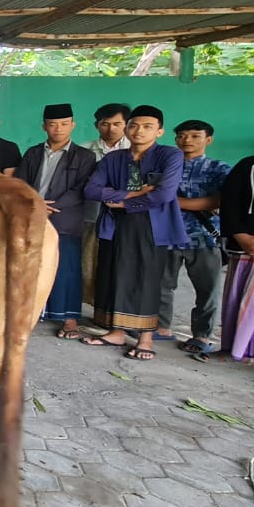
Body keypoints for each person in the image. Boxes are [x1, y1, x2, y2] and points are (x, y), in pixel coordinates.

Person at [80, 105, 187, 361]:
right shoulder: (113, 159)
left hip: (151, 226)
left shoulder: (170, 155)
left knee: (147, 280)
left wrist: (125, 203)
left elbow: (164, 194)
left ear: (159, 131)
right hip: (114, 224)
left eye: (147, 126)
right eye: (134, 125)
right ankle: (116, 332)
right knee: (114, 275)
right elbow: (91, 190)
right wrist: (133, 194)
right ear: (127, 129)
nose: (139, 131)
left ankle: (146, 339)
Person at [14, 103, 96, 339]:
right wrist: (34, 204)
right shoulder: (32, 153)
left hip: (66, 219)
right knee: (30, 267)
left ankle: (69, 319)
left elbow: (80, 189)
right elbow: (21, 183)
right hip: (32, 216)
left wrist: (50, 207)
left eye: (63, 124)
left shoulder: (85, 156)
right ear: (44, 127)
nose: (58, 129)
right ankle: (31, 314)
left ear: (72, 125)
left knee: (66, 269)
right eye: (52, 124)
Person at [161, 120, 230, 352]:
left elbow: (218, 201)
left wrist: (175, 202)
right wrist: (197, 204)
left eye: (194, 136)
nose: (186, 140)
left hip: (204, 237)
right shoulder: (166, 166)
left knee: (207, 290)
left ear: (208, 139)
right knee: (162, 285)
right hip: (167, 234)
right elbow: (153, 194)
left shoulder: (219, 169)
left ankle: (202, 335)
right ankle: (161, 328)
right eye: (181, 136)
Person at [218, 135, 254, 365]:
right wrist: (241, 236)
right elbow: (229, 203)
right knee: (240, 302)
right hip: (249, 249)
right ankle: (234, 349)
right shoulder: (250, 165)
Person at [81, 103, 132, 305]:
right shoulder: (85, 150)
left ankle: (116, 308)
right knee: (88, 264)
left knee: (121, 263)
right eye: (105, 124)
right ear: (97, 125)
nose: (111, 129)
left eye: (117, 124)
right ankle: (95, 307)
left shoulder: (134, 149)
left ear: (126, 125)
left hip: (126, 218)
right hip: (91, 216)